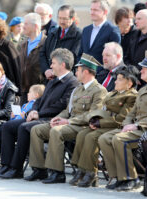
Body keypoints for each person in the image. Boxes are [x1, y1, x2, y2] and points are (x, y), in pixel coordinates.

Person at [0, 48, 78, 179]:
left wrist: (39, 114)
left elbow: (62, 106)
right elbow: (40, 99)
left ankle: (16, 168)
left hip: (53, 119)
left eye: (53, 63)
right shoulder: (52, 80)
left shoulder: (72, 83)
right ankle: (5, 166)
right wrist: (34, 110)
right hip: (40, 116)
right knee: (7, 126)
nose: (51, 66)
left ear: (62, 65)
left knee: (23, 128)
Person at [98, 51, 147, 191]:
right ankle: (118, 177)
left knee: (119, 140)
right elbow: (132, 112)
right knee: (104, 138)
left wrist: (136, 125)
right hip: (135, 129)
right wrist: (127, 124)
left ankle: (130, 178)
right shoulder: (143, 89)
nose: (141, 71)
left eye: (144, 69)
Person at [25, 53, 107, 184]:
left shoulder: (99, 90)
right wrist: (57, 118)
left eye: (78, 70)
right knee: (37, 130)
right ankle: (39, 169)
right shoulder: (78, 89)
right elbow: (67, 110)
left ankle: (57, 172)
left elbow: (92, 114)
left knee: (56, 131)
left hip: (83, 126)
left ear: (86, 72)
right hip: (70, 123)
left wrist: (68, 121)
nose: (75, 72)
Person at [69, 66, 139, 188]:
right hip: (106, 123)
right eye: (116, 79)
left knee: (92, 136)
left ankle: (91, 172)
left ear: (129, 83)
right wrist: (95, 119)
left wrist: (100, 123)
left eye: (119, 79)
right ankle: (82, 169)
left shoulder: (131, 96)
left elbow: (121, 119)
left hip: (117, 126)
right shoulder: (113, 93)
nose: (115, 82)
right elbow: (104, 110)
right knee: (83, 133)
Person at [0, 84, 45, 160]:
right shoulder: (25, 105)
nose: (27, 94)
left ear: (36, 95)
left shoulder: (34, 104)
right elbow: (17, 117)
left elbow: (29, 116)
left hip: (22, 126)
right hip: (14, 125)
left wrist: (25, 116)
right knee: (0, 128)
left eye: (29, 92)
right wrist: (13, 117)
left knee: (2, 128)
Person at [40, 5, 82, 81]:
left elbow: (73, 57)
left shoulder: (78, 35)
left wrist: (56, 71)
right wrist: (46, 70)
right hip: (49, 78)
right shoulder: (52, 33)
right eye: (59, 18)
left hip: (65, 80)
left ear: (72, 19)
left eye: (65, 19)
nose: (61, 21)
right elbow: (42, 53)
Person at [78, 0, 121, 69]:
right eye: (91, 9)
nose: (92, 12)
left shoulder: (112, 30)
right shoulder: (86, 30)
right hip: (84, 75)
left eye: (95, 10)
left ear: (105, 12)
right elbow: (80, 54)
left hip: (102, 76)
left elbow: (113, 58)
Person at [17, 13, 46, 104]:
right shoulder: (22, 44)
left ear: (35, 26)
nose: (23, 26)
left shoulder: (46, 43)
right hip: (23, 91)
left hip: (38, 93)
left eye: (26, 24)